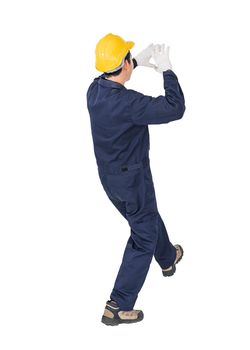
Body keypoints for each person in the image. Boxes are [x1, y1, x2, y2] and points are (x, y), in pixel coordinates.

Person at [86, 33, 186, 326]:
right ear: (124, 64)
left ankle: (167, 258)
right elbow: (174, 108)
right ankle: (118, 304)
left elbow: (111, 76)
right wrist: (167, 70)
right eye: (129, 59)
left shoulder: (94, 92)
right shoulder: (130, 104)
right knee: (143, 236)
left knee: (146, 217)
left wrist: (137, 63)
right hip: (133, 179)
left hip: (110, 179)